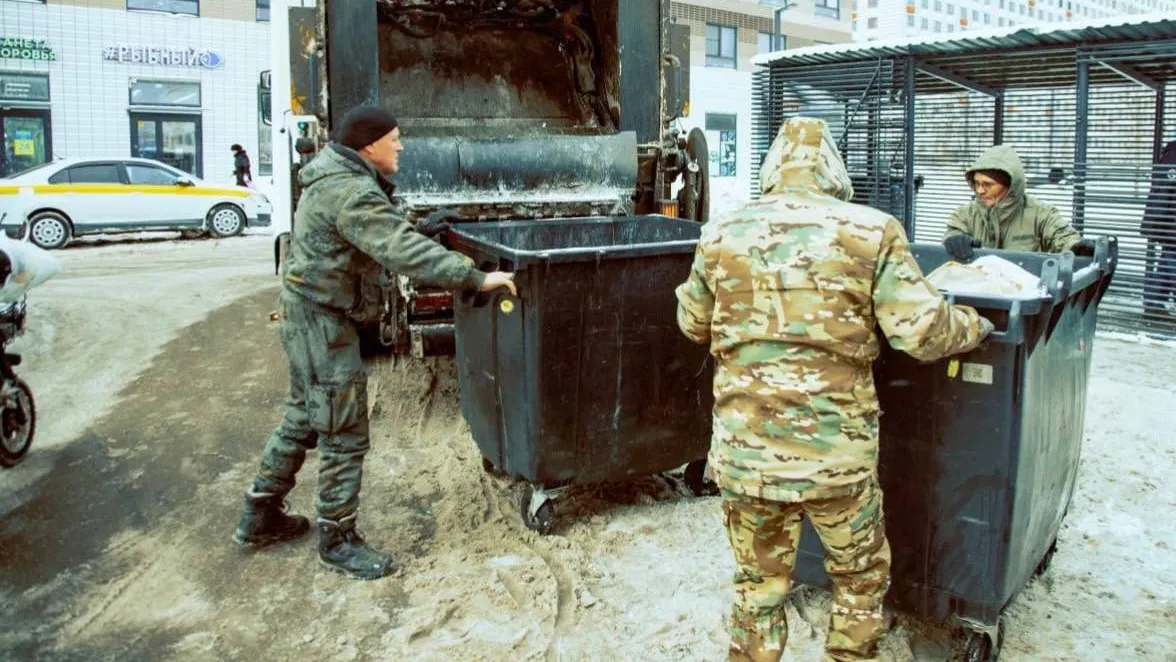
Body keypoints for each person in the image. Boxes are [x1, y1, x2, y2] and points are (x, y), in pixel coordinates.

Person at [675, 116, 994, 662]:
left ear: (773, 167)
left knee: (757, 589)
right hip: (836, 460)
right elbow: (921, 332)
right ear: (833, 169)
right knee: (860, 579)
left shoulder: (722, 233)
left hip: (747, 455)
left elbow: (691, 324)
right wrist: (974, 323)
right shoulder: (872, 231)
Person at [232, 105, 517, 580]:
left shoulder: (341, 179)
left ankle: (258, 515)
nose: (401, 146)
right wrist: (473, 278)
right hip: (323, 323)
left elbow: (371, 234)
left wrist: (421, 228)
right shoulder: (350, 191)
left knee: (302, 417)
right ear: (369, 146)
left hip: (310, 316)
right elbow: (396, 249)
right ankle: (337, 540)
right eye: (394, 139)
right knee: (343, 430)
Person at [942, 144, 1096, 262]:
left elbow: (1062, 236)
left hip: (1022, 294)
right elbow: (954, 231)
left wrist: (1076, 247)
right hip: (977, 294)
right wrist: (954, 238)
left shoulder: (1040, 214)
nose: (980, 191)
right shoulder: (966, 214)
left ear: (1010, 186)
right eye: (977, 183)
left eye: (988, 184)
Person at [1142, 140, 1176, 319]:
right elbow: (1164, 194)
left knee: (1166, 261)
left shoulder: (1169, 157)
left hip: (1167, 223)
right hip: (1170, 223)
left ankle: (1154, 302)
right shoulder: (1173, 159)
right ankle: (1153, 303)